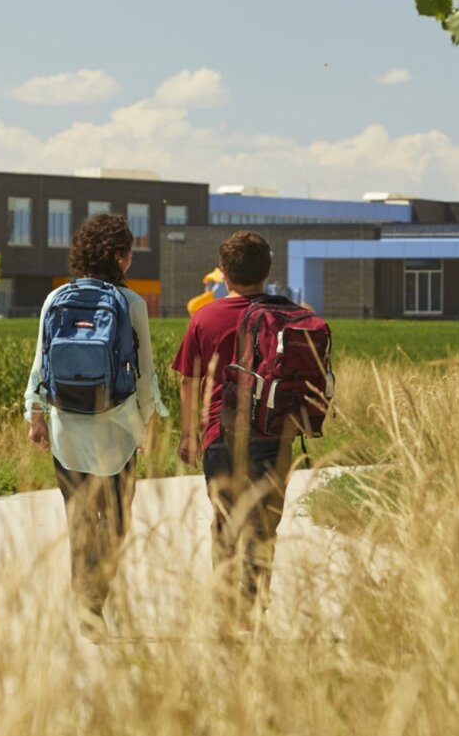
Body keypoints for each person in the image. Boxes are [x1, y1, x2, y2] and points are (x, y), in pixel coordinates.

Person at [25, 213, 166, 640]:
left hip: (67, 427)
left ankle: (86, 605)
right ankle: (94, 599)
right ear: (121, 258)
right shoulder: (131, 303)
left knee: (80, 521)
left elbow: (40, 363)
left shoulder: (56, 299)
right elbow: (144, 372)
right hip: (116, 431)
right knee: (117, 523)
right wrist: (150, 425)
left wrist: (35, 414)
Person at [171, 230, 293, 631]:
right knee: (264, 524)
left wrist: (188, 434)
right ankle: (252, 603)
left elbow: (189, 380)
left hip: (219, 437)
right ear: (268, 271)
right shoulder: (288, 314)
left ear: (223, 274)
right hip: (274, 436)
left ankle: (226, 606)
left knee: (225, 519)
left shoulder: (205, 317)